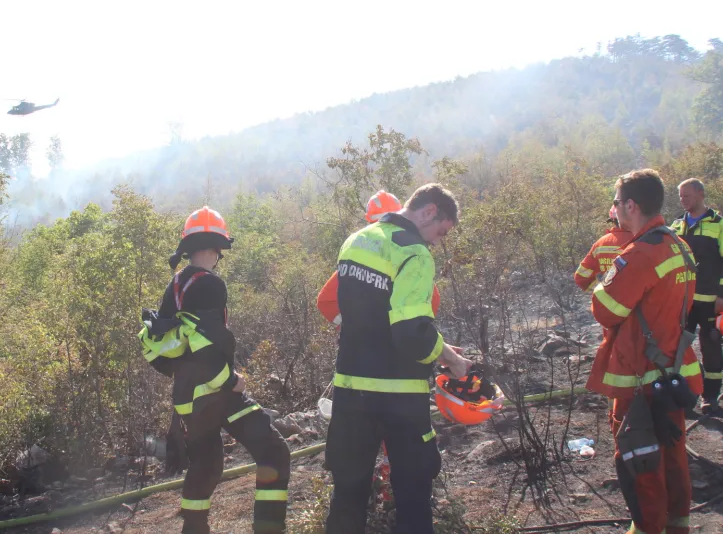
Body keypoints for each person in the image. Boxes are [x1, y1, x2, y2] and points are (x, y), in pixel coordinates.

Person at [323, 183, 473, 534]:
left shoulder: (357, 240)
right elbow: (409, 332)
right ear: (430, 211)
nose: (436, 240)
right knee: (413, 494)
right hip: (399, 398)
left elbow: (370, 317)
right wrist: (451, 359)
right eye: (441, 231)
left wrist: (433, 344)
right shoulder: (415, 253)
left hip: (350, 393)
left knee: (347, 495)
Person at [139, 206, 290, 534]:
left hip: (187, 399)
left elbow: (175, 346)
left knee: (206, 467)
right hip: (216, 394)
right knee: (275, 453)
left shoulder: (176, 283)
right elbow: (206, 349)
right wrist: (231, 381)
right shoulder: (210, 285)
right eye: (219, 251)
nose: (219, 257)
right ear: (211, 248)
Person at [587, 169, 703, 534]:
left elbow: (605, 309)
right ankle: (677, 523)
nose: (616, 210)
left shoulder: (638, 254)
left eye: (618, 203)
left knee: (639, 459)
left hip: (638, 375)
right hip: (674, 372)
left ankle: (648, 527)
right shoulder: (678, 243)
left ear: (631, 205)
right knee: (672, 452)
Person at [670, 178, 723, 412]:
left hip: (711, 301)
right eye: (680, 196)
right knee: (679, 347)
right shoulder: (676, 226)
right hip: (683, 301)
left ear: (700, 194)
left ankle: (710, 397)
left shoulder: (720, 224)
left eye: (687, 196)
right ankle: (685, 393)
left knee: (710, 346)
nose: (683, 200)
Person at [317, 190, 442, 325]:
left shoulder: (359, 256)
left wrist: (352, 325)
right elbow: (433, 300)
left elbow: (326, 302)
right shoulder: (411, 255)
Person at [574, 205, 634, 291]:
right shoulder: (643, 240)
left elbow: (580, 278)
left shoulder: (600, 243)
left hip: (607, 301)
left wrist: (601, 289)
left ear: (613, 221)